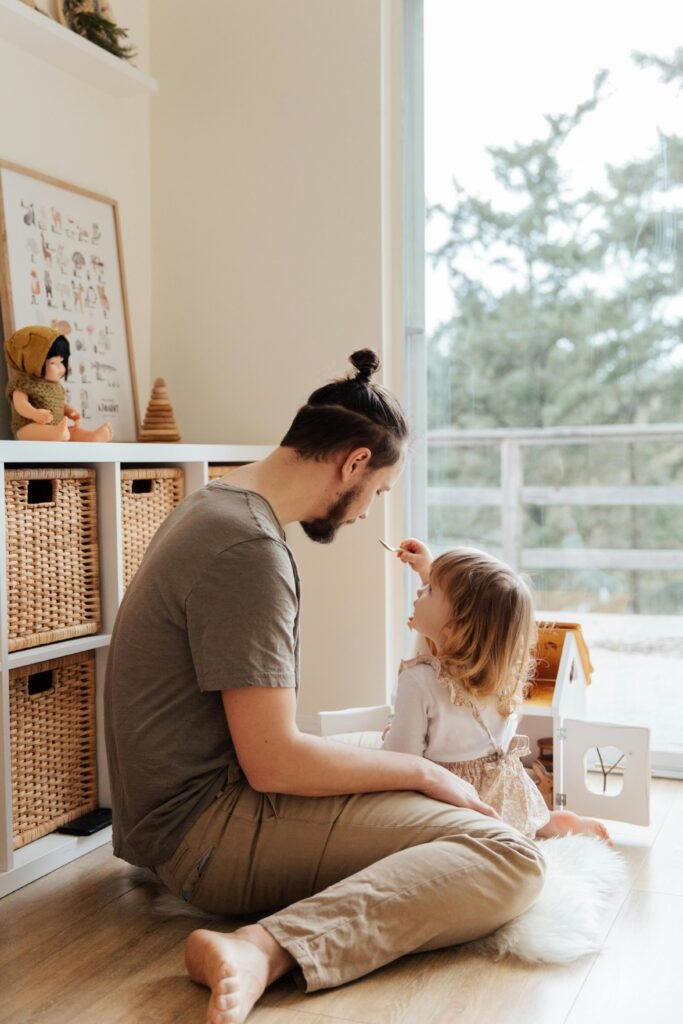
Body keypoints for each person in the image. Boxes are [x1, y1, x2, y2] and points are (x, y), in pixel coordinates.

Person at [104, 349, 545, 1024]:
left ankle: (267, 938)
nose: (368, 513)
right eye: (378, 494)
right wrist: (419, 775)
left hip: (171, 821)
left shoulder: (214, 507)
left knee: (449, 823)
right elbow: (273, 761)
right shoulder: (248, 552)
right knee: (504, 855)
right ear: (354, 463)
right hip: (202, 834)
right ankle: (263, 947)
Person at [384, 538, 611, 844]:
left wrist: (384, 740)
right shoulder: (495, 673)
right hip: (502, 785)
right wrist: (426, 570)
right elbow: (445, 625)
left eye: (430, 589)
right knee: (518, 825)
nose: (420, 591)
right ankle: (552, 823)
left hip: (453, 798)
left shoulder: (418, 680)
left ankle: (535, 828)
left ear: (455, 629)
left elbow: (400, 761)